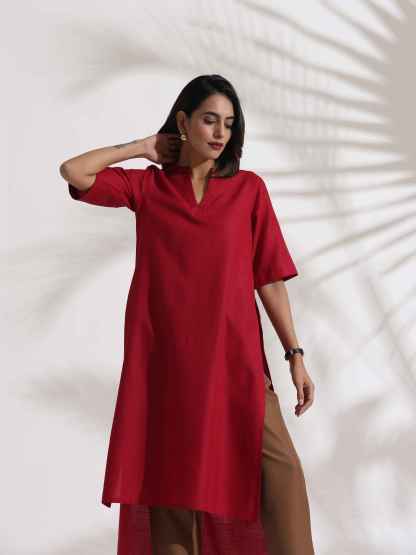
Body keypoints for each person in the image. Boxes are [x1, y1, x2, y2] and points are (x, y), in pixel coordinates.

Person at [60, 74, 316, 554]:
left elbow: (269, 279)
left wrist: (294, 355)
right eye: (209, 120)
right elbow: (73, 171)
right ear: (183, 121)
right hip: (169, 367)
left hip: (236, 362)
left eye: (229, 124)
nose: (220, 133)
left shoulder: (248, 190)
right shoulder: (149, 188)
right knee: (173, 494)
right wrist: (142, 147)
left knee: (282, 474)